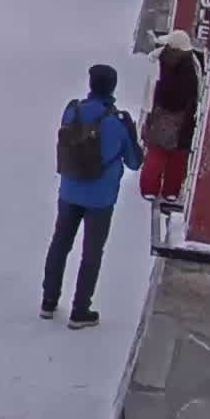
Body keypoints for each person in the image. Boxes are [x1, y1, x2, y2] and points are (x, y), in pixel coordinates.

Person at [41, 63, 144, 328]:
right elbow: (134, 161)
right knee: (91, 251)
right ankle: (80, 310)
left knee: (60, 244)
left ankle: (48, 302)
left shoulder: (71, 111)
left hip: (69, 190)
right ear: (113, 87)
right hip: (101, 198)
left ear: (90, 84)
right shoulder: (118, 121)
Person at [139, 30, 202, 204]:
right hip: (184, 117)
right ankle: (171, 192)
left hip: (159, 113)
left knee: (155, 154)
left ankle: (149, 189)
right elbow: (197, 91)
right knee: (178, 157)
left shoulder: (159, 60)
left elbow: (149, 88)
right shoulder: (192, 64)